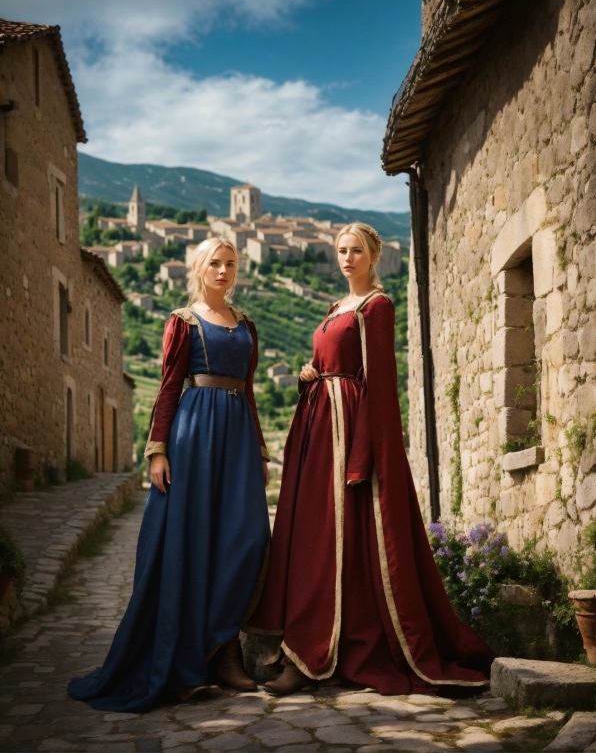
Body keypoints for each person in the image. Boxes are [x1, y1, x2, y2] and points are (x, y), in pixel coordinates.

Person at [246, 222, 494, 696]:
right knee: (311, 541)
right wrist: (310, 377)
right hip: (319, 436)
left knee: (338, 547)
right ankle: (304, 647)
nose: (347, 258)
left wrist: (364, 458)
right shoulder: (335, 307)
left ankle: (321, 654)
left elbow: (378, 386)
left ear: (374, 254)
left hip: (348, 439)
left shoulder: (376, 307)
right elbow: (333, 367)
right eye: (341, 250)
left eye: (356, 250)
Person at [68, 237, 270, 712]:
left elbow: (252, 391)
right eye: (215, 264)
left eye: (230, 264)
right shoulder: (183, 323)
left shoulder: (247, 327)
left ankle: (223, 647)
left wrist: (259, 450)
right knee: (190, 545)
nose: (224, 271)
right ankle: (190, 664)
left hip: (238, 437)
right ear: (199, 269)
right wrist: (158, 450)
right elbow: (167, 387)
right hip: (194, 435)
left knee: (249, 538)